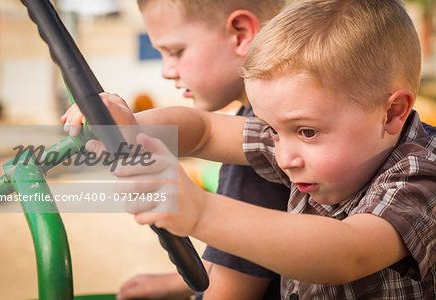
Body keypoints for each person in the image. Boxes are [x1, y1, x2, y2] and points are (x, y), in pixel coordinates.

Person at [80, 0, 435, 298]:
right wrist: (132, 126)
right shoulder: (298, 142)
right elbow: (203, 132)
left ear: (392, 112)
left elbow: (349, 252)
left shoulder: (419, 173)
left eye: (308, 131)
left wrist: (201, 212)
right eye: (272, 131)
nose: (283, 158)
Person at [61, 0, 289, 299]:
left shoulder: (256, 159)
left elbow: (233, 286)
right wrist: (175, 283)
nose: (167, 71)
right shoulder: (262, 126)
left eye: (176, 52)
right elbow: (202, 130)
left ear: (241, 34)